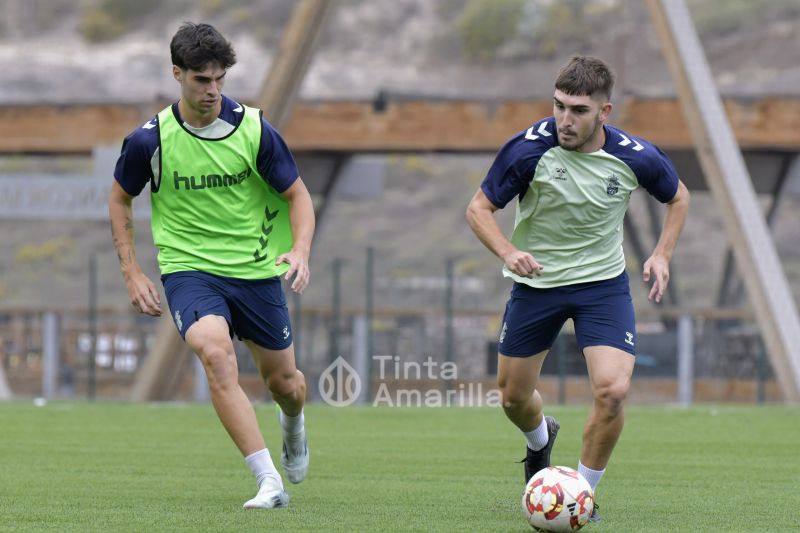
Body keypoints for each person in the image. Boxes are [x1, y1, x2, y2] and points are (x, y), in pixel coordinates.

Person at [466, 55, 689, 522]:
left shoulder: (635, 157)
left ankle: (580, 495)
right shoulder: (528, 151)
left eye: (579, 110)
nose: (564, 120)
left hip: (602, 288)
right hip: (537, 286)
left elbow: (678, 197)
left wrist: (662, 254)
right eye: (559, 106)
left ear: (604, 112)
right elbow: (479, 209)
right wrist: (508, 252)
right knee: (511, 397)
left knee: (612, 391)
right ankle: (539, 440)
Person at [108, 22, 315, 510]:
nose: (214, 90)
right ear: (177, 74)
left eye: (220, 79)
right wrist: (133, 273)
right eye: (202, 80)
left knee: (286, 385)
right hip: (189, 270)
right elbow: (120, 200)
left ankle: (294, 425)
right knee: (216, 354)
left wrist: (301, 250)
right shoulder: (149, 141)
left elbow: (297, 194)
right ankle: (268, 481)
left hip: (256, 269)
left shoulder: (255, 129)